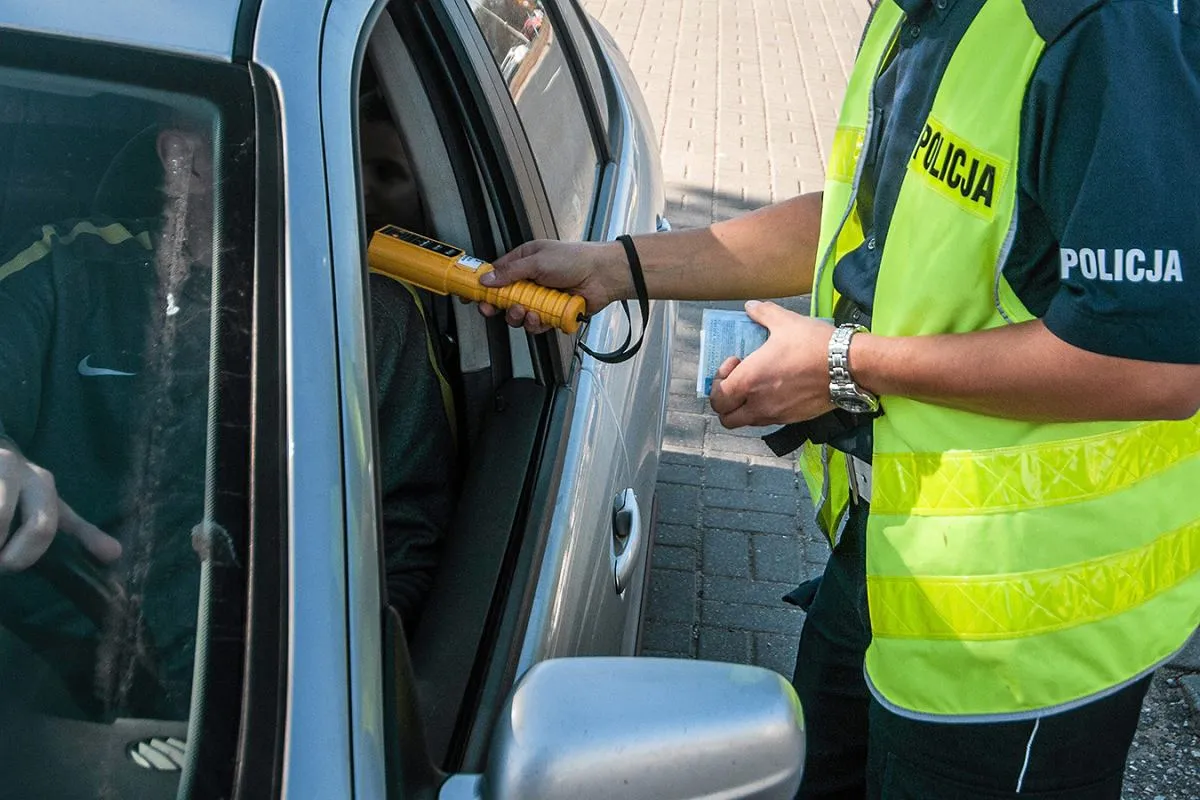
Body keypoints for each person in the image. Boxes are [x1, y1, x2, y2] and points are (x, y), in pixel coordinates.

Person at [477, 1, 1200, 797]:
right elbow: (858, 221)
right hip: (892, 566)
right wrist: (621, 266)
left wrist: (845, 364)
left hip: (1029, 639)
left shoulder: (1103, 30)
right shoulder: (922, 11)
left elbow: (1154, 365)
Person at [0, 110, 455, 717]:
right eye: (298, 140)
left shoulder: (371, 318)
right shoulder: (67, 267)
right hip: (32, 671)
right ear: (184, 161)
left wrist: (338, 697)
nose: (339, 178)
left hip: (256, 718)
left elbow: (405, 538)